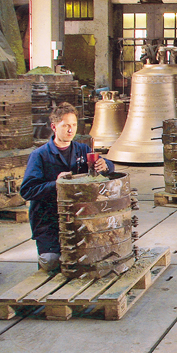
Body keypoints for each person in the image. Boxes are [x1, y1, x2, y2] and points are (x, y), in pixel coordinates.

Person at [20, 103, 114, 272]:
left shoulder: (82, 150)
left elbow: (109, 168)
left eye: (74, 125)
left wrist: (105, 165)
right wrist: (56, 185)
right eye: (66, 126)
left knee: (93, 258)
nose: (71, 130)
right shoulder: (39, 155)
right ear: (54, 127)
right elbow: (27, 190)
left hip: (80, 218)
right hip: (49, 220)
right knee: (52, 262)